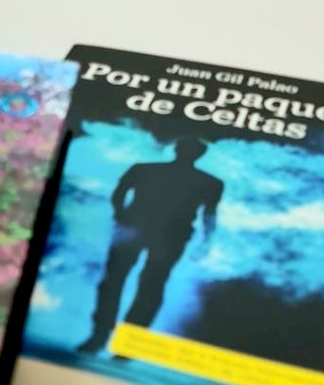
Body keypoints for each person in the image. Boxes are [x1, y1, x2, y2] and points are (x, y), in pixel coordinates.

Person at [79, 137, 223, 354]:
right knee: (147, 285)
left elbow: (119, 193)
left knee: (123, 282)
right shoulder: (209, 182)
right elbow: (209, 214)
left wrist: (121, 215)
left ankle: (106, 338)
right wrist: (206, 240)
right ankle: (121, 341)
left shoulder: (145, 169)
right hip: (164, 234)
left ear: (176, 149)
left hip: (149, 231)